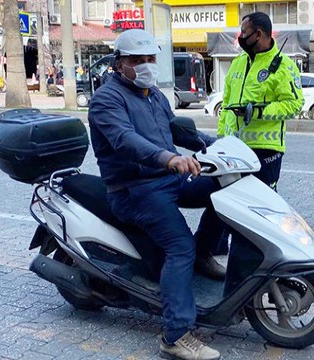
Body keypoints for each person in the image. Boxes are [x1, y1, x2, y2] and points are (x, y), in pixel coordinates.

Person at [88, 29, 222, 360]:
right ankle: (175, 336)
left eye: (150, 59)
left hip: (166, 178)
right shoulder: (107, 99)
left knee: (224, 191)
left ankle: (205, 254)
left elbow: (176, 128)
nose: (146, 65)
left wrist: (212, 143)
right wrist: (171, 158)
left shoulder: (153, 94)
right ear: (120, 64)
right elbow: (125, 139)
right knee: (179, 246)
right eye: (137, 60)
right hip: (135, 188)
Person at [217, 11, 304, 192]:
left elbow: (294, 104)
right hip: (233, 147)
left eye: (244, 32)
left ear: (258, 34)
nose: (240, 37)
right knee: (231, 201)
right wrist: (220, 139)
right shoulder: (238, 63)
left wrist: (258, 112)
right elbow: (226, 104)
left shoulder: (284, 66)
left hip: (265, 150)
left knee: (262, 205)